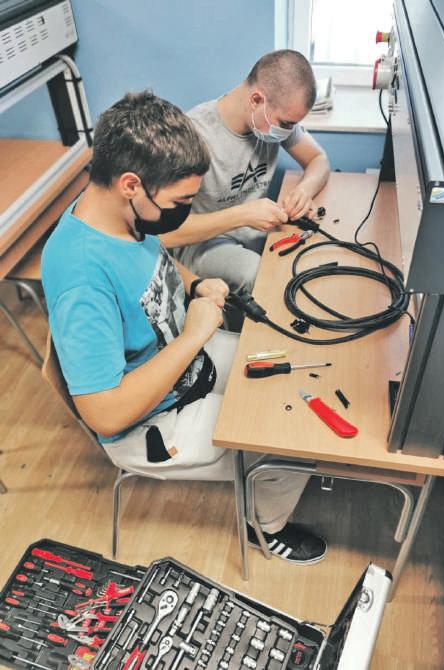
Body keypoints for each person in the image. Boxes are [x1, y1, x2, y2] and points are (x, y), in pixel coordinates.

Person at [41, 91, 326, 565]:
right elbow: (105, 415)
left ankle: (264, 480)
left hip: (184, 359)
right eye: (182, 201)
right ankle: (266, 527)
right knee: (292, 437)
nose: (186, 211)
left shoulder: (115, 211)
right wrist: (194, 335)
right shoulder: (82, 276)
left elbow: (153, 263)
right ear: (131, 184)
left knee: (296, 375)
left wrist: (193, 285)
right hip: (148, 423)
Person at [161, 49, 330, 307]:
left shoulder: (271, 121)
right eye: (285, 124)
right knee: (262, 277)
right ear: (256, 100)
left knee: (310, 261)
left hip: (255, 231)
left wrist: (303, 191)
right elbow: (163, 235)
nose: (288, 132)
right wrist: (242, 215)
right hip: (201, 244)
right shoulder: (193, 137)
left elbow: (319, 160)